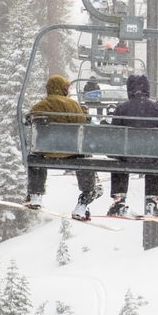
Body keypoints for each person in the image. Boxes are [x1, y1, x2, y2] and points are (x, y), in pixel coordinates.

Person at [24, 74, 101, 220]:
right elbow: (81, 125)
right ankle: (85, 197)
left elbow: (31, 119)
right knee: (85, 159)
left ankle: (36, 194)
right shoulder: (71, 105)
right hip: (70, 150)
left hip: (45, 150)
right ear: (63, 88)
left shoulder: (39, 105)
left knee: (34, 160)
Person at [108, 74, 158, 217]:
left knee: (119, 162)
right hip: (151, 155)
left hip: (127, 155)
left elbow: (114, 133)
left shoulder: (122, 108)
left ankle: (119, 200)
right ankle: (152, 201)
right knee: (155, 162)